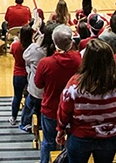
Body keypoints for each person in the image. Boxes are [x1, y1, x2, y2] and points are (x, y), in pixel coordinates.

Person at [56, 39, 116, 163]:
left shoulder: (75, 84)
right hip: (110, 135)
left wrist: (60, 129)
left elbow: (64, 111)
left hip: (81, 136)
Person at [35, 25, 81, 163]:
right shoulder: (79, 59)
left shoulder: (45, 63)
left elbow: (38, 84)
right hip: (73, 110)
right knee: (70, 143)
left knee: (48, 142)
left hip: (51, 109)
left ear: (54, 43)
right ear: (71, 42)